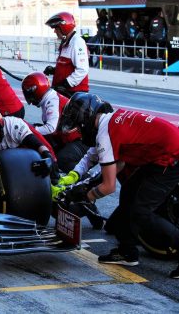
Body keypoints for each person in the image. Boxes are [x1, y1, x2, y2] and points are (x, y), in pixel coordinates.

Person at [58, 92, 179, 277]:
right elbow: (118, 163)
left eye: (79, 129)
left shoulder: (105, 134)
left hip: (170, 158)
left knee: (141, 213)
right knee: (128, 193)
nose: (80, 134)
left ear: (86, 120)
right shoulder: (110, 121)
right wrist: (82, 182)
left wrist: (85, 197)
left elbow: (109, 186)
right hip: (159, 156)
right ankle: (127, 252)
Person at [21, 73, 103, 229]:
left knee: (62, 158)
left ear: (34, 90)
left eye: (29, 94)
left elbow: (51, 127)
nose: (30, 100)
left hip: (80, 140)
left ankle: (86, 189)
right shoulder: (49, 99)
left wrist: (30, 130)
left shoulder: (51, 100)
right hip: (71, 139)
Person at [0, 100, 58, 181]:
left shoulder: (14, 125)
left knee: (49, 161)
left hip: (28, 152)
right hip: (11, 163)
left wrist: (47, 156)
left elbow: (36, 144)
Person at [43, 12, 89, 97]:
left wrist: (66, 84)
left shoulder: (77, 42)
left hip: (74, 94)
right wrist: (54, 70)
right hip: (63, 92)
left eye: (56, 28)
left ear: (63, 28)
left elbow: (82, 69)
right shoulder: (65, 43)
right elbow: (66, 66)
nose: (54, 31)